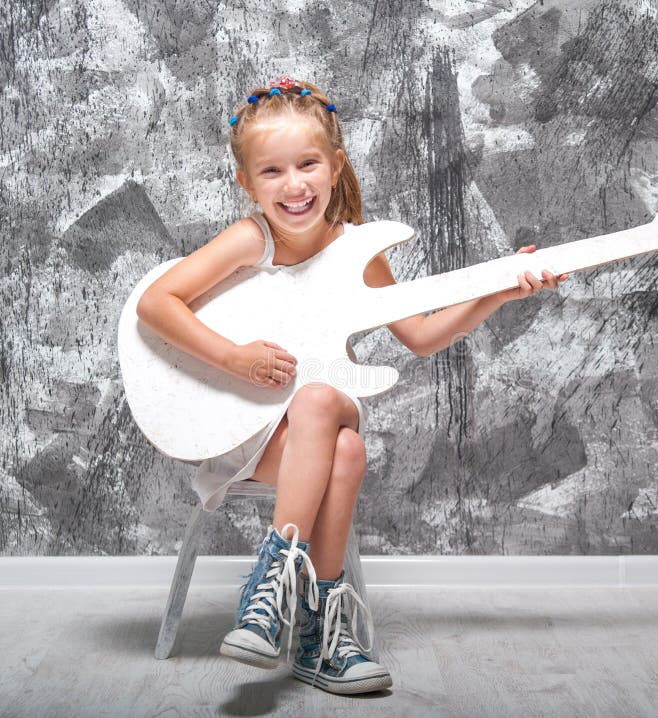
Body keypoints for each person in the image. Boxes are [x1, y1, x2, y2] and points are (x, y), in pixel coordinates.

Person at [135, 76, 568, 695]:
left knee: (327, 416)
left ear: (335, 166)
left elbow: (420, 335)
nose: (294, 185)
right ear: (248, 184)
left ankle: (278, 589)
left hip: (314, 426)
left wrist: (498, 291)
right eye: (273, 172)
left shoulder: (359, 252)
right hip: (253, 438)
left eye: (308, 164)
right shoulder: (250, 240)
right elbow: (156, 304)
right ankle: (320, 631)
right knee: (346, 444)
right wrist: (235, 359)